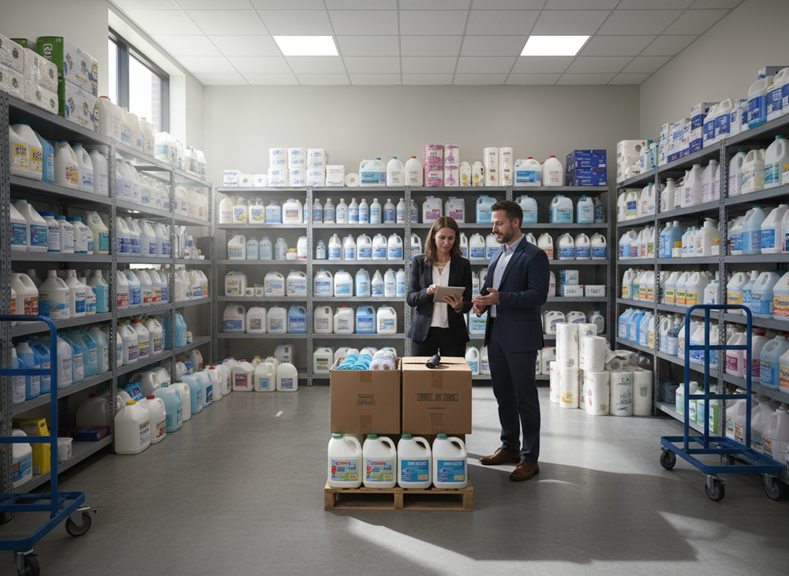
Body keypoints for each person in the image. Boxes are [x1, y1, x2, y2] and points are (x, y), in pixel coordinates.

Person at [472, 200, 549, 482]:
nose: (494, 228)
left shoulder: (534, 255)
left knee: (525, 398)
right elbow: (489, 290)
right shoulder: (497, 255)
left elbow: (538, 295)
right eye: (493, 223)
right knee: (503, 396)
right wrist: (480, 303)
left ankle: (530, 458)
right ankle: (510, 447)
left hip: (520, 338)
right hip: (496, 335)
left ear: (515, 222)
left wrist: (500, 299)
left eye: (499, 223)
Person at [407, 216, 473, 358]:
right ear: (433, 237)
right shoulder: (419, 262)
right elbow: (410, 299)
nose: (446, 242)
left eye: (451, 238)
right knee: (421, 378)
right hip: (424, 332)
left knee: (453, 378)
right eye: (442, 237)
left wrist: (460, 305)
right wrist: (427, 291)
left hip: (453, 332)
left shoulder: (463, 265)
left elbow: (468, 303)